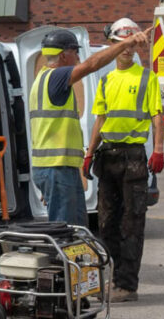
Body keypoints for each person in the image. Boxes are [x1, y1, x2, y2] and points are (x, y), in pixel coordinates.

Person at [30, 26, 151, 227]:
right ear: (62, 56)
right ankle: (64, 260)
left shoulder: (42, 79)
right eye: (74, 51)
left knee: (76, 226)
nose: (78, 56)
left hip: (54, 169)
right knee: (66, 229)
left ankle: (74, 259)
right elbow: (92, 64)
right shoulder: (56, 77)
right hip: (56, 169)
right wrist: (126, 43)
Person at [84, 18, 163, 303]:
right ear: (114, 45)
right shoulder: (106, 80)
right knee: (106, 224)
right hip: (108, 158)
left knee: (132, 223)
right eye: (121, 44)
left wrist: (159, 149)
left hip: (133, 158)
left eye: (130, 44)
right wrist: (89, 153)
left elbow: (157, 116)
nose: (127, 51)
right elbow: (100, 120)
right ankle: (114, 280)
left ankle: (128, 286)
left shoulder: (147, 78)